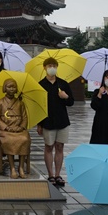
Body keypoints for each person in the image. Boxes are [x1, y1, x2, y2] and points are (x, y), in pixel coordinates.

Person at [36, 57, 74, 186]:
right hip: (47, 121)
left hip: (62, 120)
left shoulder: (63, 83)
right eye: (49, 65)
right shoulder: (40, 84)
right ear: (45, 68)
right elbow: (39, 106)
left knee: (59, 147)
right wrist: (39, 124)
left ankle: (58, 175)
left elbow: (71, 102)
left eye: (54, 65)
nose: (52, 68)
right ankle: (50, 175)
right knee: (48, 147)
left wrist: (65, 96)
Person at [0, 78, 30, 179]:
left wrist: (21, 127)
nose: (11, 89)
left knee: (24, 139)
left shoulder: (20, 103)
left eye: (13, 87)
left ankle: (21, 167)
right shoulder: (0, 103)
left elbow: (25, 117)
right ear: (5, 88)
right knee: (10, 140)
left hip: (18, 129)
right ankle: (13, 167)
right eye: (9, 87)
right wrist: (7, 127)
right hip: (5, 130)